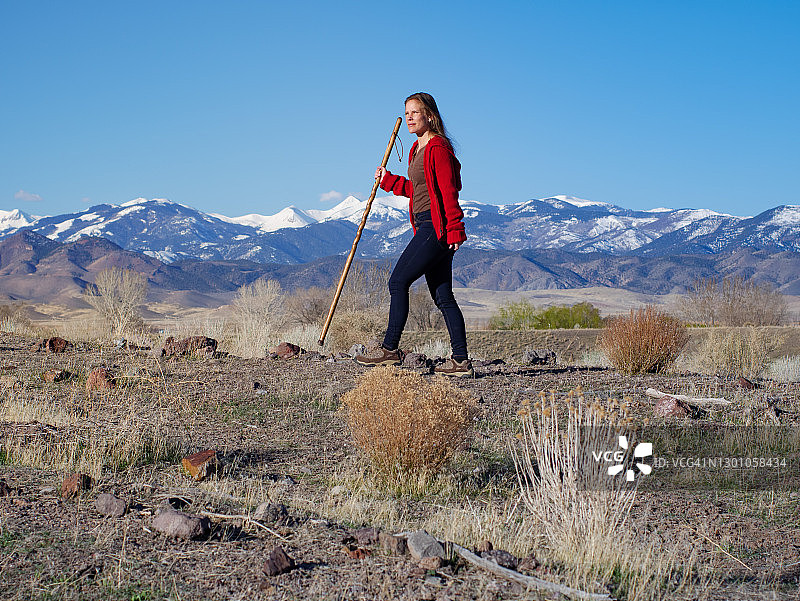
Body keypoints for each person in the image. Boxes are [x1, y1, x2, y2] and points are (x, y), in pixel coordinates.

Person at [355, 92, 473, 377]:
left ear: (429, 116)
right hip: (424, 224)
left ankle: (389, 350)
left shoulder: (438, 148)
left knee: (398, 281)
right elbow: (417, 190)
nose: (408, 117)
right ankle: (460, 362)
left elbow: (447, 191)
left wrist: (455, 230)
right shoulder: (416, 149)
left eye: (414, 112)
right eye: (406, 112)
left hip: (438, 227)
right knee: (443, 296)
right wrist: (388, 181)